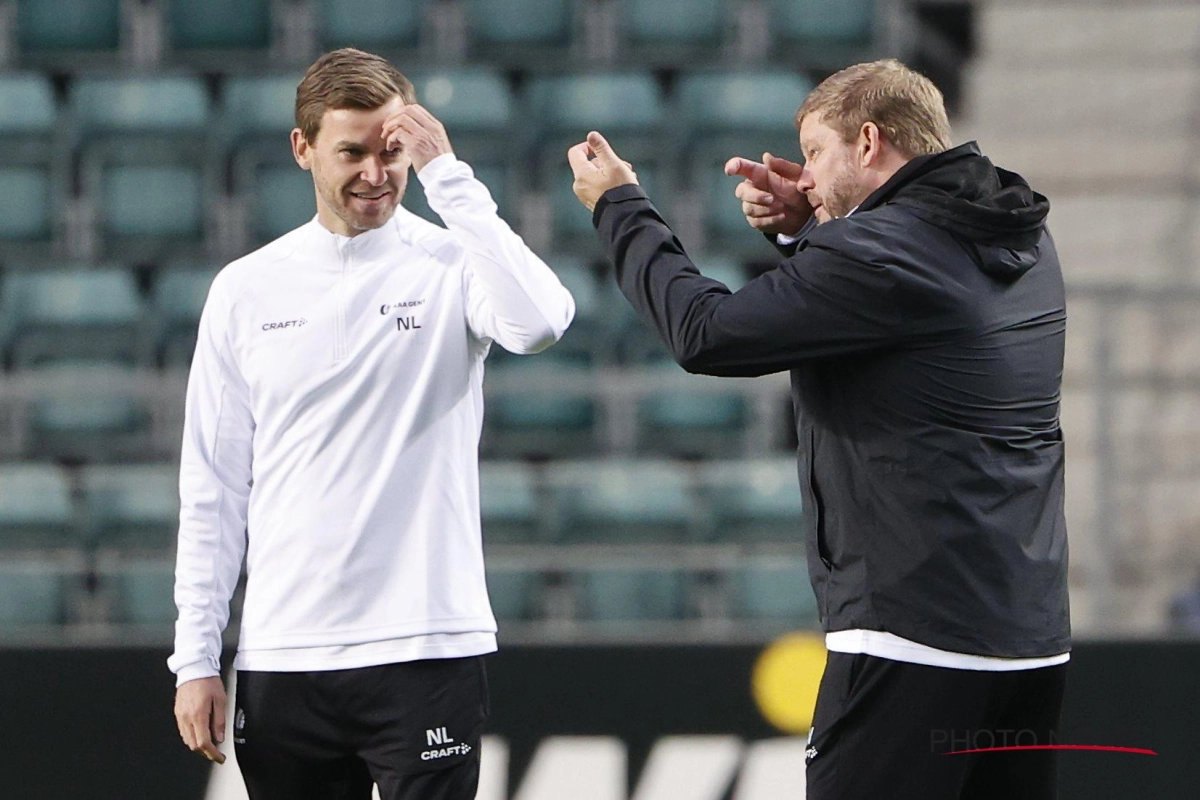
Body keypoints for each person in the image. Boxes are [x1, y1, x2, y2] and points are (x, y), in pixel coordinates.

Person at [569, 59, 1070, 799]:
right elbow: (900, 311)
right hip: (1026, 641)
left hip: (911, 638)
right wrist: (815, 229)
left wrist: (621, 206)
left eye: (814, 154)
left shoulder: (881, 252)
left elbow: (706, 334)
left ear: (868, 143)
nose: (804, 177)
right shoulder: (1013, 231)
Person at [170, 47, 574, 799]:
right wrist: (196, 657)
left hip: (426, 647)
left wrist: (450, 181)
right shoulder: (245, 291)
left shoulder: (452, 262)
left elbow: (542, 321)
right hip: (285, 655)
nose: (375, 173)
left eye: (392, 151)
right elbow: (214, 486)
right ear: (303, 149)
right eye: (351, 151)